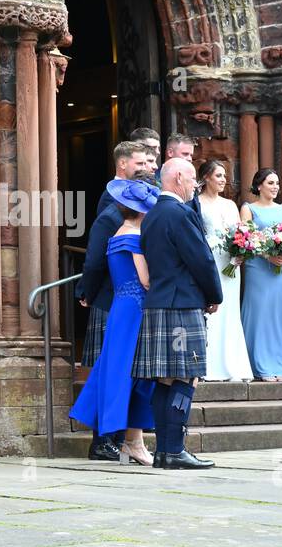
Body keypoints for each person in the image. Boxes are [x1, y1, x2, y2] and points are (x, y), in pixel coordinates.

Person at [132, 158, 223, 469]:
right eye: (193, 179)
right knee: (185, 377)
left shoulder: (153, 215)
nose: (195, 186)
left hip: (159, 303)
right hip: (181, 306)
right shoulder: (180, 213)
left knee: (165, 380)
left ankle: (163, 452)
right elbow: (201, 259)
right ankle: (174, 450)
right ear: (179, 177)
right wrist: (213, 295)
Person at [69, 177, 161, 466]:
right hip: (135, 308)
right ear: (142, 211)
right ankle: (131, 441)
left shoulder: (117, 233)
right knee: (134, 372)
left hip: (121, 306)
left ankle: (124, 439)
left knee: (115, 368)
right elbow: (145, 280)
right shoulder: (135, 239)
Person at [239, 168, 282, 381]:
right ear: (259, 185)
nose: (275, 187)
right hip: (258, 267)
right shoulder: (248, 209)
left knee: (281, 313)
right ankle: (261, 364)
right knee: (261, 313)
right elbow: (247, 238)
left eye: (277, 183)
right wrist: (268, 256)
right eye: (270, 183)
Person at [197, 160, 253, 381]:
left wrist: (241, 251)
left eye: (224, 176)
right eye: (218, 176)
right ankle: (208, 365)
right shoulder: (196, 203)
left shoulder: (230, 205)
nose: (223, 180)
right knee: (212, 308)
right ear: (207, 177)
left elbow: (240, 233)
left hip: (231, 262)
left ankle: (233, 365)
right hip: (209, 259)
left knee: (230, 310)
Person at [164, 133, 199, 219]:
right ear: (170, 152)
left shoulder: (190, 179)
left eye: (191, 155)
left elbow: (196, 213)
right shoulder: (155, 178)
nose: (190, 159)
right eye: (185, 154)